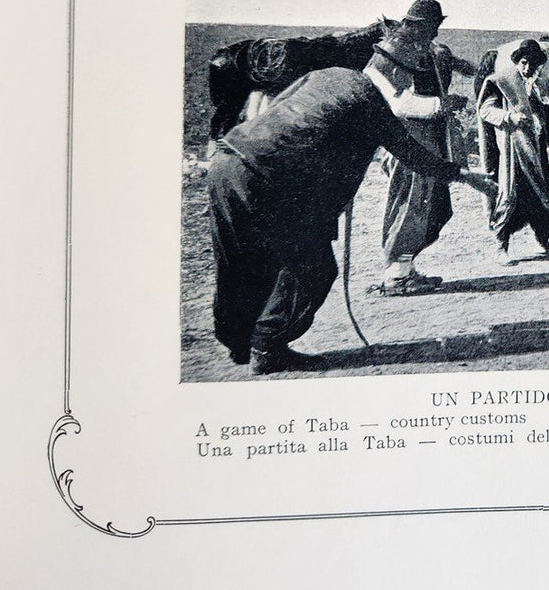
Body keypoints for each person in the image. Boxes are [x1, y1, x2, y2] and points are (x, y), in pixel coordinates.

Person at [207, 66, 497, 374]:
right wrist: (464, 176)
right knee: (314, 270)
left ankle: (240, 344)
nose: (405, 84)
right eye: (403, 77)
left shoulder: (325, 76)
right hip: (272, 178)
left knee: (239, 262)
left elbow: (288, 113)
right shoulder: (369, 100)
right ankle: (266, 347)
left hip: (228, 162)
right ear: (393, 74)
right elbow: (412, 154)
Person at [366, 0, 471, 294]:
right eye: (435, 25)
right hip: (406, 142)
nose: (437, 32)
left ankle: (405, 269)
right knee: (410, 203)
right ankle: (397, 276)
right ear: (422, 25)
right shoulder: (395, 51)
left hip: (423, 141)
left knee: (428, 205)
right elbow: (397, 102)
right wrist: (442, 105)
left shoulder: (417, 49)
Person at [477, 38, 549, 256]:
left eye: (532, 65)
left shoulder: (534, 87)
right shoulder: (500, 82)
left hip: (536, 150)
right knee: (509, 195)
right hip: (512, 152)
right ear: (516, 61)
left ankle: (543, 241)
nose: (527, 68)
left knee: (541, 195)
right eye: (524, 63)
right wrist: (509, 117)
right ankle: (501, 247)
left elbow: (544, 117)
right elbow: (485, 111)